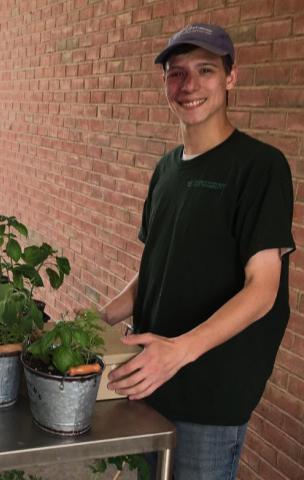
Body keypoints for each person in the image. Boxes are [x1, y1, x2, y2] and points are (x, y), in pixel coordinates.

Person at [99, 24, 295, 480]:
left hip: (209, 396)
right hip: (149, 378)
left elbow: (263, 290)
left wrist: (179, 351)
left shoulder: (260, 167)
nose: (188, 86)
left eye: (205, 70)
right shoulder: (166, 169)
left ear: (231, 78)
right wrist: (103, 316)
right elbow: (156, 264)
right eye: (176, 73)